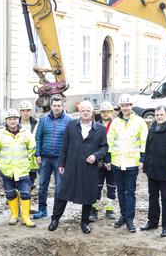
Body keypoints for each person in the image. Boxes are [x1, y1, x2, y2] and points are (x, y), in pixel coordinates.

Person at [47, 101, 108, 234]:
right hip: (71, 165)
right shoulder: (71, 125)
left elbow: (104, 147)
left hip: (89, 167)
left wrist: (96, 156)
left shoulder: (100, 128)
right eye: (83, 110)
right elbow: (64, 146)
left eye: (88, 110)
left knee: (88, 194)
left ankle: (84, 222)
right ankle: (55, 219)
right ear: (79, 112)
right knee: (63, 193)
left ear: (92, 112)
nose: (85, 112)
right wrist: (61, 164)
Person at [107, 93, 148, 233]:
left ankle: (130, 218)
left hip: (132, 163)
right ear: (120, 107)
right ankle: (123, 216)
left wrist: (142, 159)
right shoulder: (115, 122)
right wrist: (108, 159)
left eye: (127, 105)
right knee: (120, 190)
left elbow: (144, 142)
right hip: (117, 162)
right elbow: (109, 142)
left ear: (132, 106)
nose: (125, 108)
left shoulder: (140, 122)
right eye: (123, 105)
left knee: (130, 191)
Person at [0, 108, 37, 228]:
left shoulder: (26, 133)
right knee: (10, 193)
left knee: (25, 193)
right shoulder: (0, 135)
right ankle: (14, 215)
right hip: (7, 170)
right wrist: (0, 159)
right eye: (10, 119)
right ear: (6, 120)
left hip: (22, 169)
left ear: (18, 119)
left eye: (15, 119)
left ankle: (25, 218)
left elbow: (32, 147)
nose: (12, 121)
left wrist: (26, 158)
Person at [140, 105, 166, 237]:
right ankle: (152, 222)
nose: (159, 117)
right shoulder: (151, 130)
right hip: (152, 170)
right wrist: (145, 166)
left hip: (165, 172)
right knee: (152, 197)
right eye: (157, 115)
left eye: (161, 115)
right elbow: (148, 149)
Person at [34, 95, 70, 219]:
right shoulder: (43, 120)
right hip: (45, 159)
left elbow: (71, 141)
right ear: (50, 106)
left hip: (60, 160)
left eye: (59, 105)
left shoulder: (69, 121)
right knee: (42, 185)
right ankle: (42, 210)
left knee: (59, 187)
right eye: (54, 105)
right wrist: (38, 154)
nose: (56, 108)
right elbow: (38, 138)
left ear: (62, 106)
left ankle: (56, 213)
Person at [90, 101, 117, 221]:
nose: (105, 114)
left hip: (113, 161)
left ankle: (109, 209)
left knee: (111, 187)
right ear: (100, 113)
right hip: (99, 161)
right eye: (103, 112)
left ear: (111, 112)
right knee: (96, 187)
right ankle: (94, 210)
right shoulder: (95, 126)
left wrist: (110, 160)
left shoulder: (116, 125)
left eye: (108, 111)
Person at [19, 100, 39, 192]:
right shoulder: (14, 123)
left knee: (30, 182)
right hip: (18, 157)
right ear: (20, 112)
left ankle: (26, 199)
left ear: (31, 111)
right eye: (23, 110)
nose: (25, 113)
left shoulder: (36, 124)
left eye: (27, 110)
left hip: (31, 158)